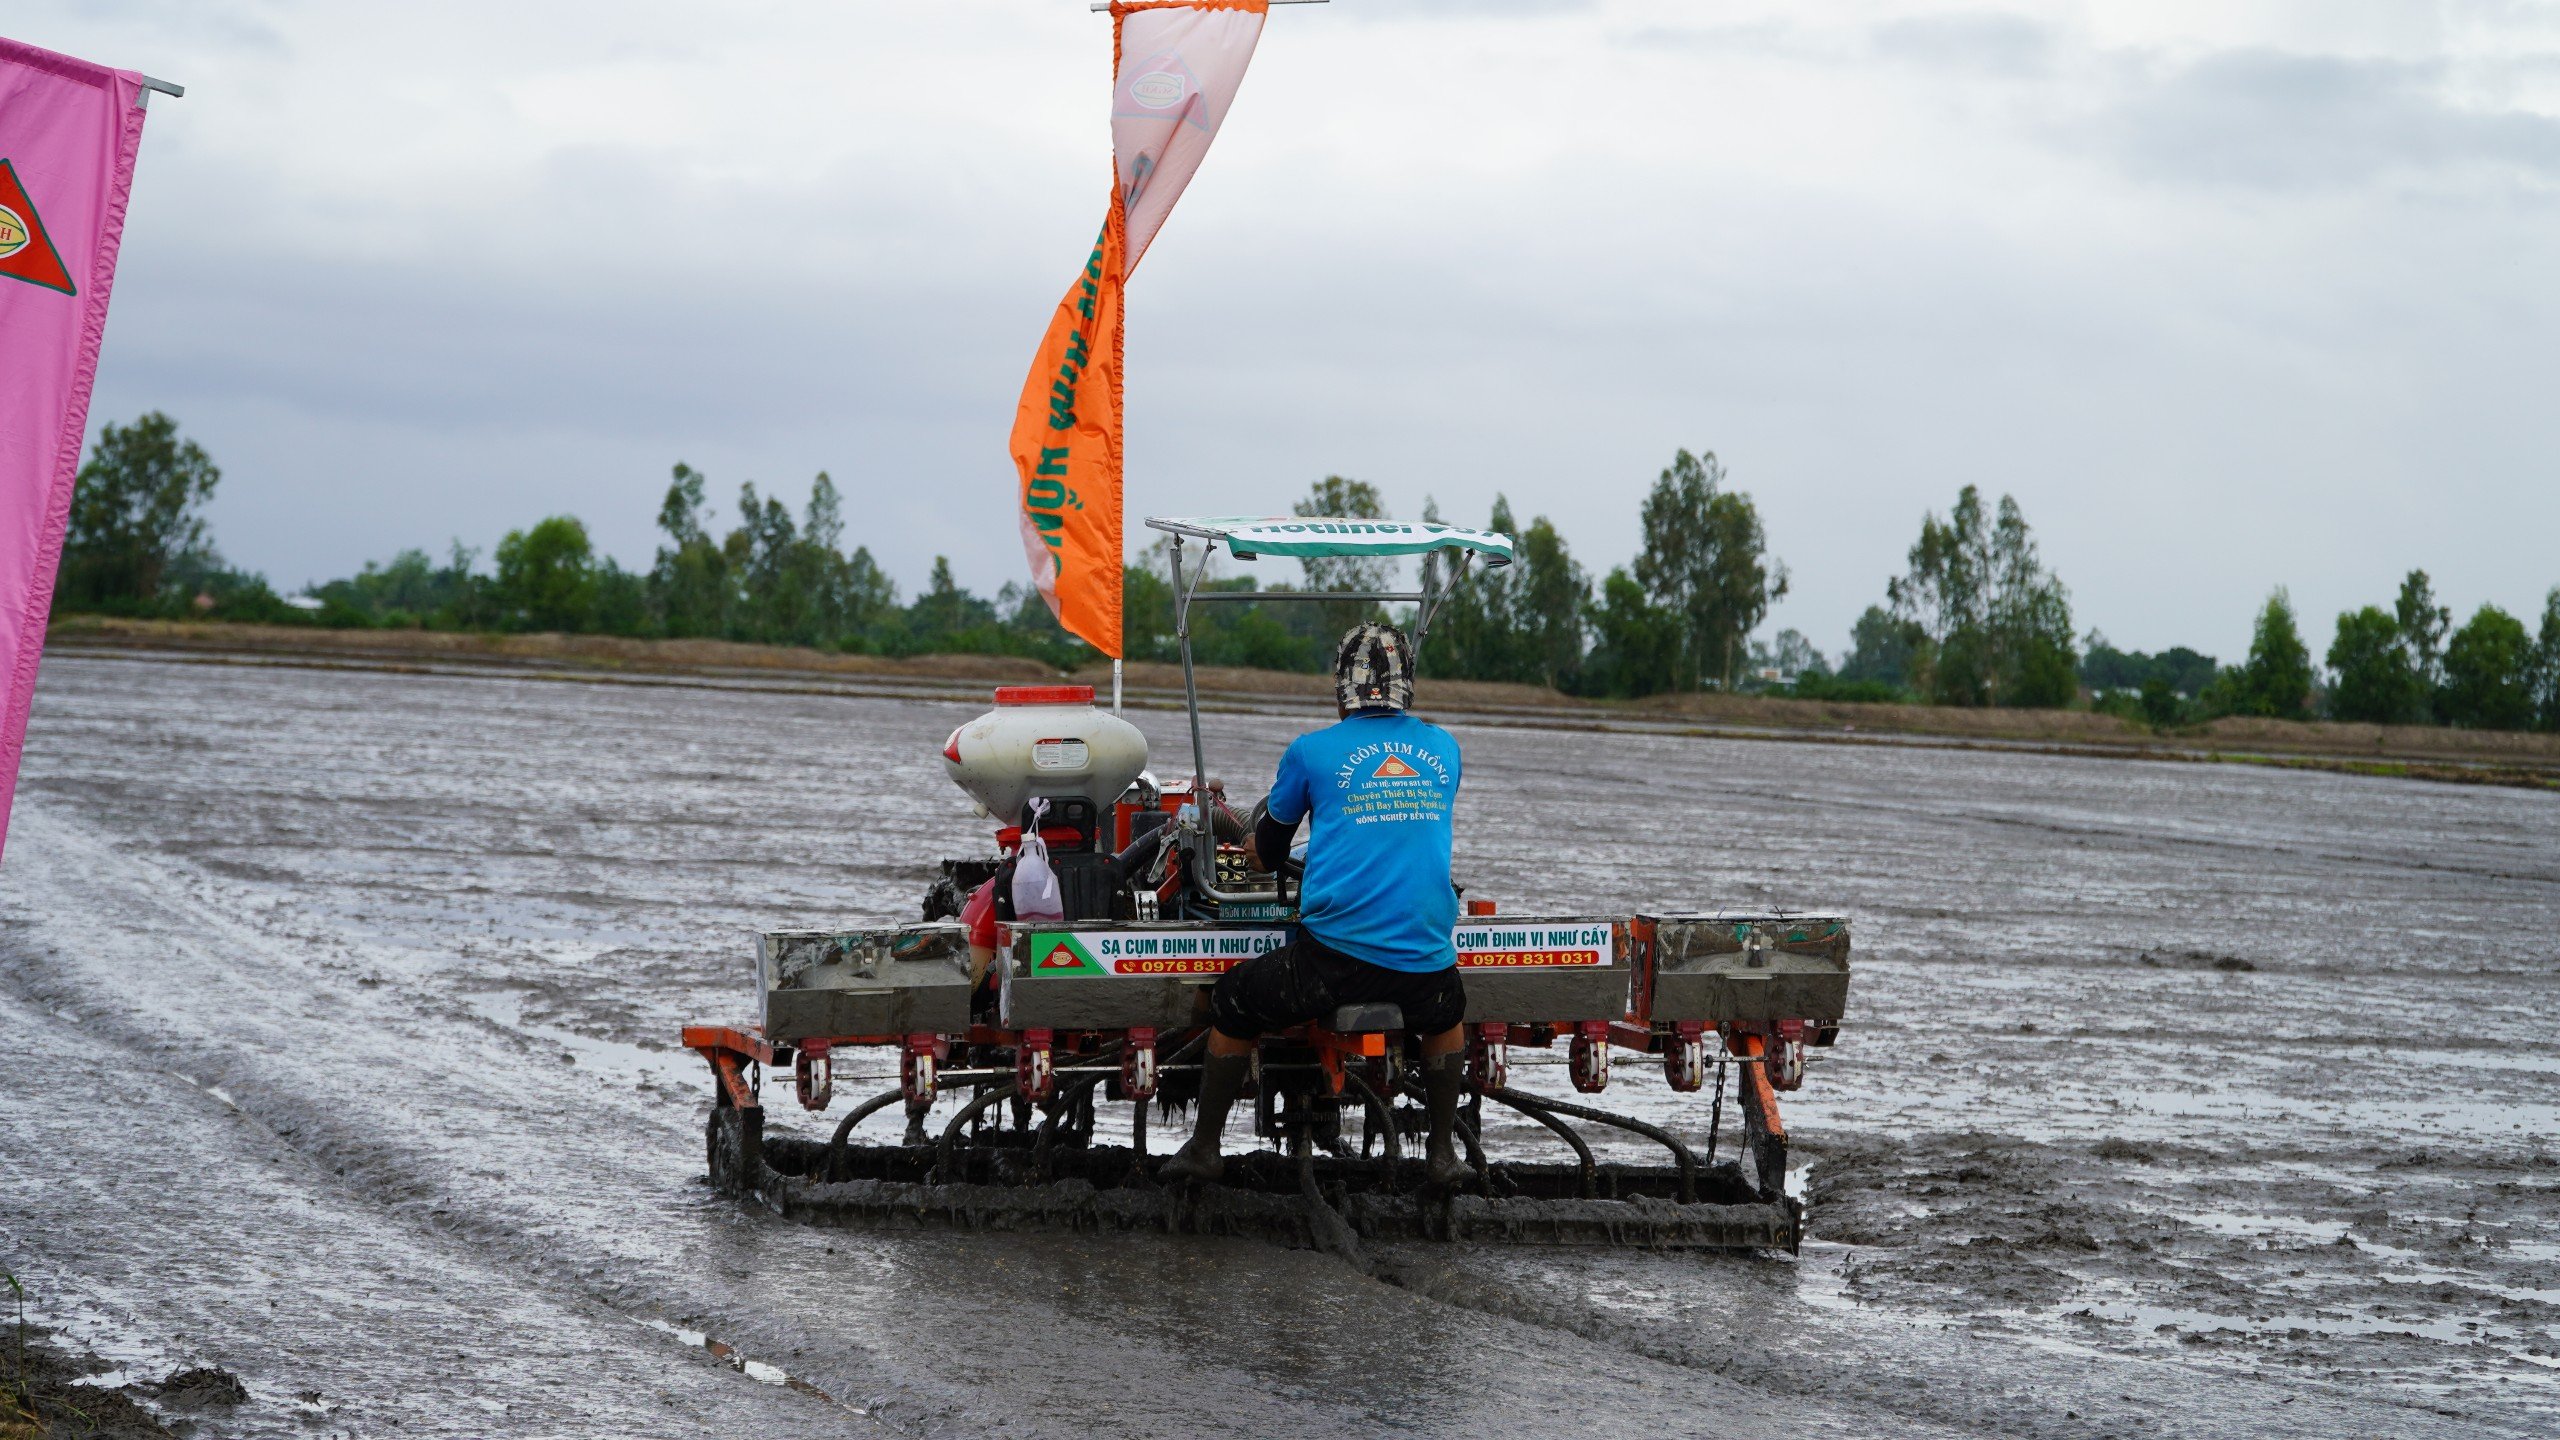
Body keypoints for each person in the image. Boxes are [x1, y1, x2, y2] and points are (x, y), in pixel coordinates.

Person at [1161, 622, 1474, 1189]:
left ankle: (1205, 1148)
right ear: (1409, 687)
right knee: (1448, 1013)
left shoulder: (1311, 752)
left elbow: (1272, 851)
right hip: (1427, 962)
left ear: (1340, 691)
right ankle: (1443, 1154)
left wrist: (1253, 850)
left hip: (1336, 962)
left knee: (1233, 1000)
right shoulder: (1444, 748)